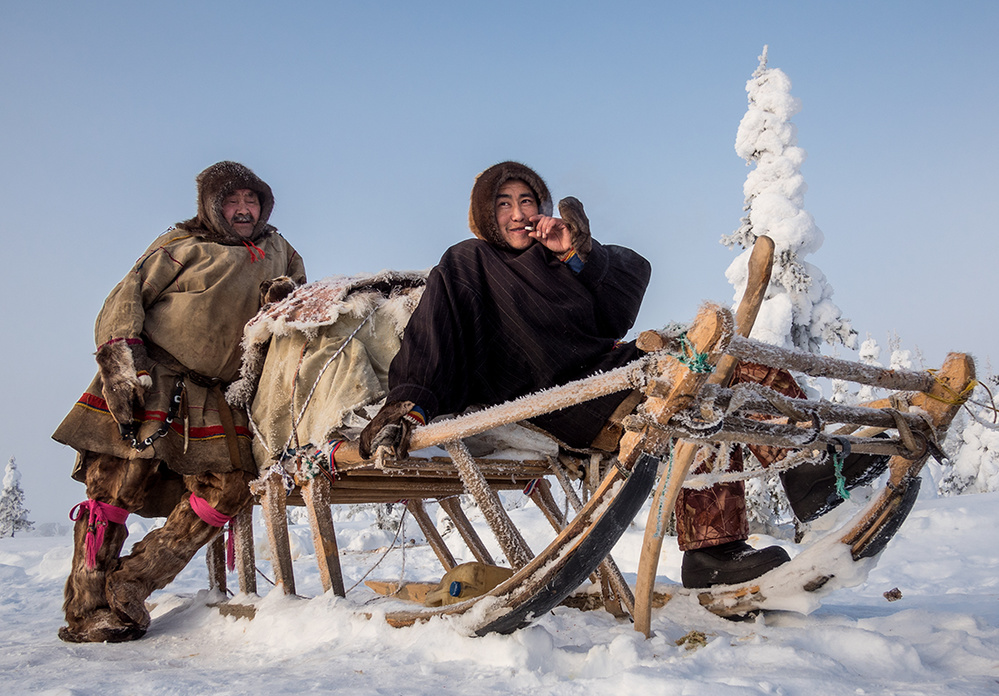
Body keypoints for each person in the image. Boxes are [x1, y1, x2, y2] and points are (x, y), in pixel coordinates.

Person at [52, 161, 306, 642]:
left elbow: (296, 306)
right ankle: (86, 611)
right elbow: (125, 297)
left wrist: (286, 300)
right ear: (212, 206)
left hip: (220, 391)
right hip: (156, 377)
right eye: (232, 202)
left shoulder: (280, 251)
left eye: (251, 201)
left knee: (228, 489)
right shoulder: (179, 247)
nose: (243, 210)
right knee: (115, 488)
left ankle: (135, 580)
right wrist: (123, 367)